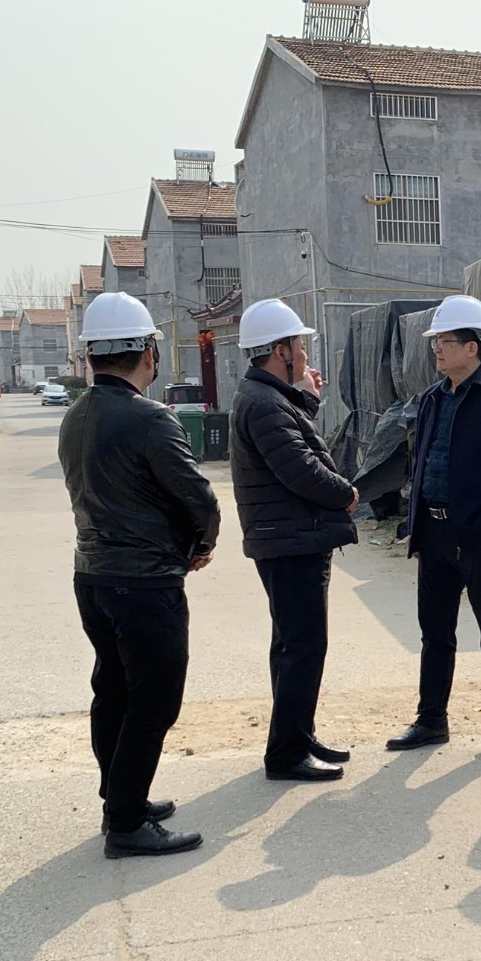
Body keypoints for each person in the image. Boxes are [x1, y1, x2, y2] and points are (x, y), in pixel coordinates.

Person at [59, 292, 220, 857]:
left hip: (92, 576)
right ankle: (126, 823)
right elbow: (198, 497)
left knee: (113, 690)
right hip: (144, 582)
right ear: (149, 352)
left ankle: (120, 798)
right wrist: (201, 544)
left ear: (91, 356)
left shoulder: (75, 416)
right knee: (154, 701)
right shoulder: (152, 419)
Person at [387, 295, 481, 760]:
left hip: (477, 536)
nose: (436, 348)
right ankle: (431, 719)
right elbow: (423, 462)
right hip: (433, 533)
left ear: (474, 347)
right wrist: (416, 524)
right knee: (435, 632)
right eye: (435, 341)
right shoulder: (431, 398)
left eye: (445, 341)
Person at [230, 298, 358, 785]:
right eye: (299, 347)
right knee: (303, 647)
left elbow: (294, 443)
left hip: (288, 538)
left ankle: (298, 736)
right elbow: (299, 468)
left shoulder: (267, 398)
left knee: (292, 645)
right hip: (290, 541)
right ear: (280, 351)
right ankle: (286, 753)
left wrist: (305, 398)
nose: (305, 355)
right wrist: (345, 494)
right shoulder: (264, 403)